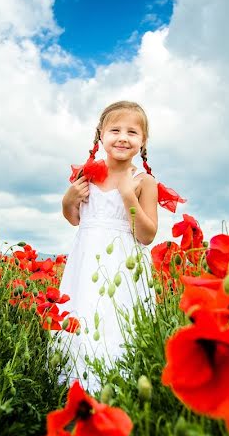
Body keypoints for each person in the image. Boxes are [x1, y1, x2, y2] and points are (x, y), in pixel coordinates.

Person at [57, 101, 159, 389]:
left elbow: (147, 236)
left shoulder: (144, 182)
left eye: (132, 132)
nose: (123, 137)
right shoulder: (88, 174)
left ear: (143, 141)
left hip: (123, 266)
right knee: (84, 315)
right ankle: (78, 387)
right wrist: (67, 200)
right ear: (100, 135)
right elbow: (76, 219)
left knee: (116, 320)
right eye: (115, 130)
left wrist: (128, 196)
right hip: (86, 261)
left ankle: (118, 386)